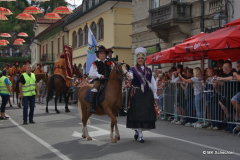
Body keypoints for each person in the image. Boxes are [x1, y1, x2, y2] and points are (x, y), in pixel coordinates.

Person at [126, 47, 157, 143]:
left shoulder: (148, 70)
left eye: (142, 58)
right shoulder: (132, 69)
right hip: (137, 95)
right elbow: (129, 76)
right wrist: (129, 77)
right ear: (136, 59)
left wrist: (155, 94)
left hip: (147, 95)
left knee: (145, 114)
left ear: (144, 59)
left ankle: (138, 131)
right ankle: (140, 135)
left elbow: (152, 82)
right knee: (137, 114)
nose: (140, 60)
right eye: (138, 58)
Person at [89, 45, 114, 113]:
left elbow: (113, 71)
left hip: (109, 80)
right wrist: (99, 76)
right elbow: (91, 73)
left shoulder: (111, 63)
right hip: (99, 80)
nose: (103, 55)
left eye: (104, 53)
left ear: (106, 54)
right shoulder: (95, 63)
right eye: (101, 53)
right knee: (94, 89)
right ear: (98, 54)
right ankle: (92, 106)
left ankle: (119, 106)